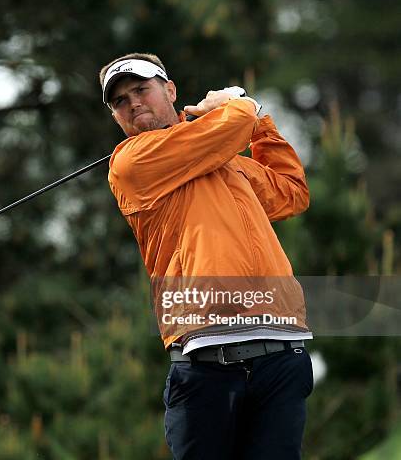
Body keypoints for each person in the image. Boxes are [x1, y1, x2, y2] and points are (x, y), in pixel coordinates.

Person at [99, 52, 314, 460]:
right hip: (206, 363)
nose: (133, 103)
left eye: (141, 89)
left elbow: (291, 190)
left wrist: (260, 124)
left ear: (170, 90)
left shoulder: (229, 162)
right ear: (116, 117)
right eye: (120, 101)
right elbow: (230, 125)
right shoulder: (131, 162)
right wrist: (242, 103)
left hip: (281, 353)